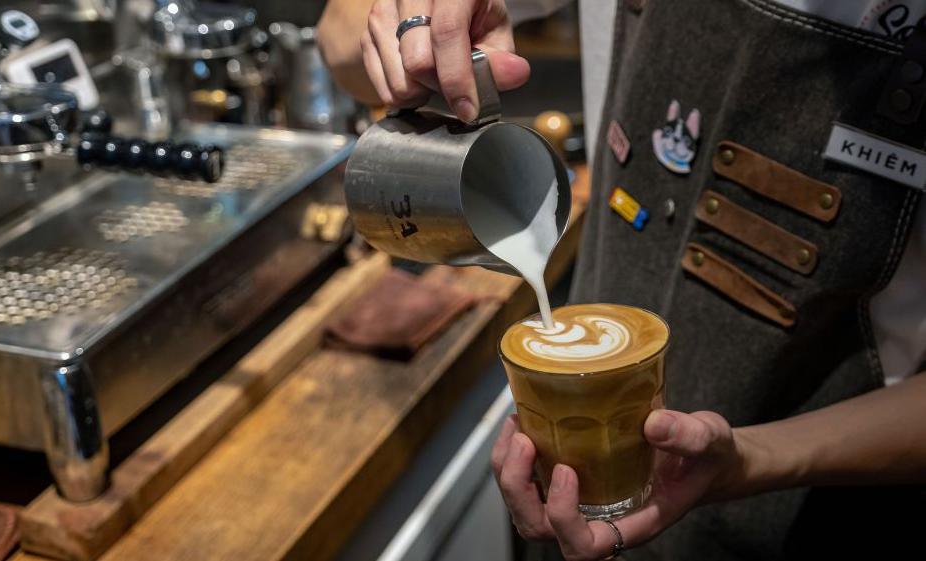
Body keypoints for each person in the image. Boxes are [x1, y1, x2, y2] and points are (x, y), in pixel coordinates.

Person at [316, 1, 926, 559]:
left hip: (814, 505)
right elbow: (336, 40)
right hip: (561, 512)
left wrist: (751, 459)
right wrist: (406, 23)